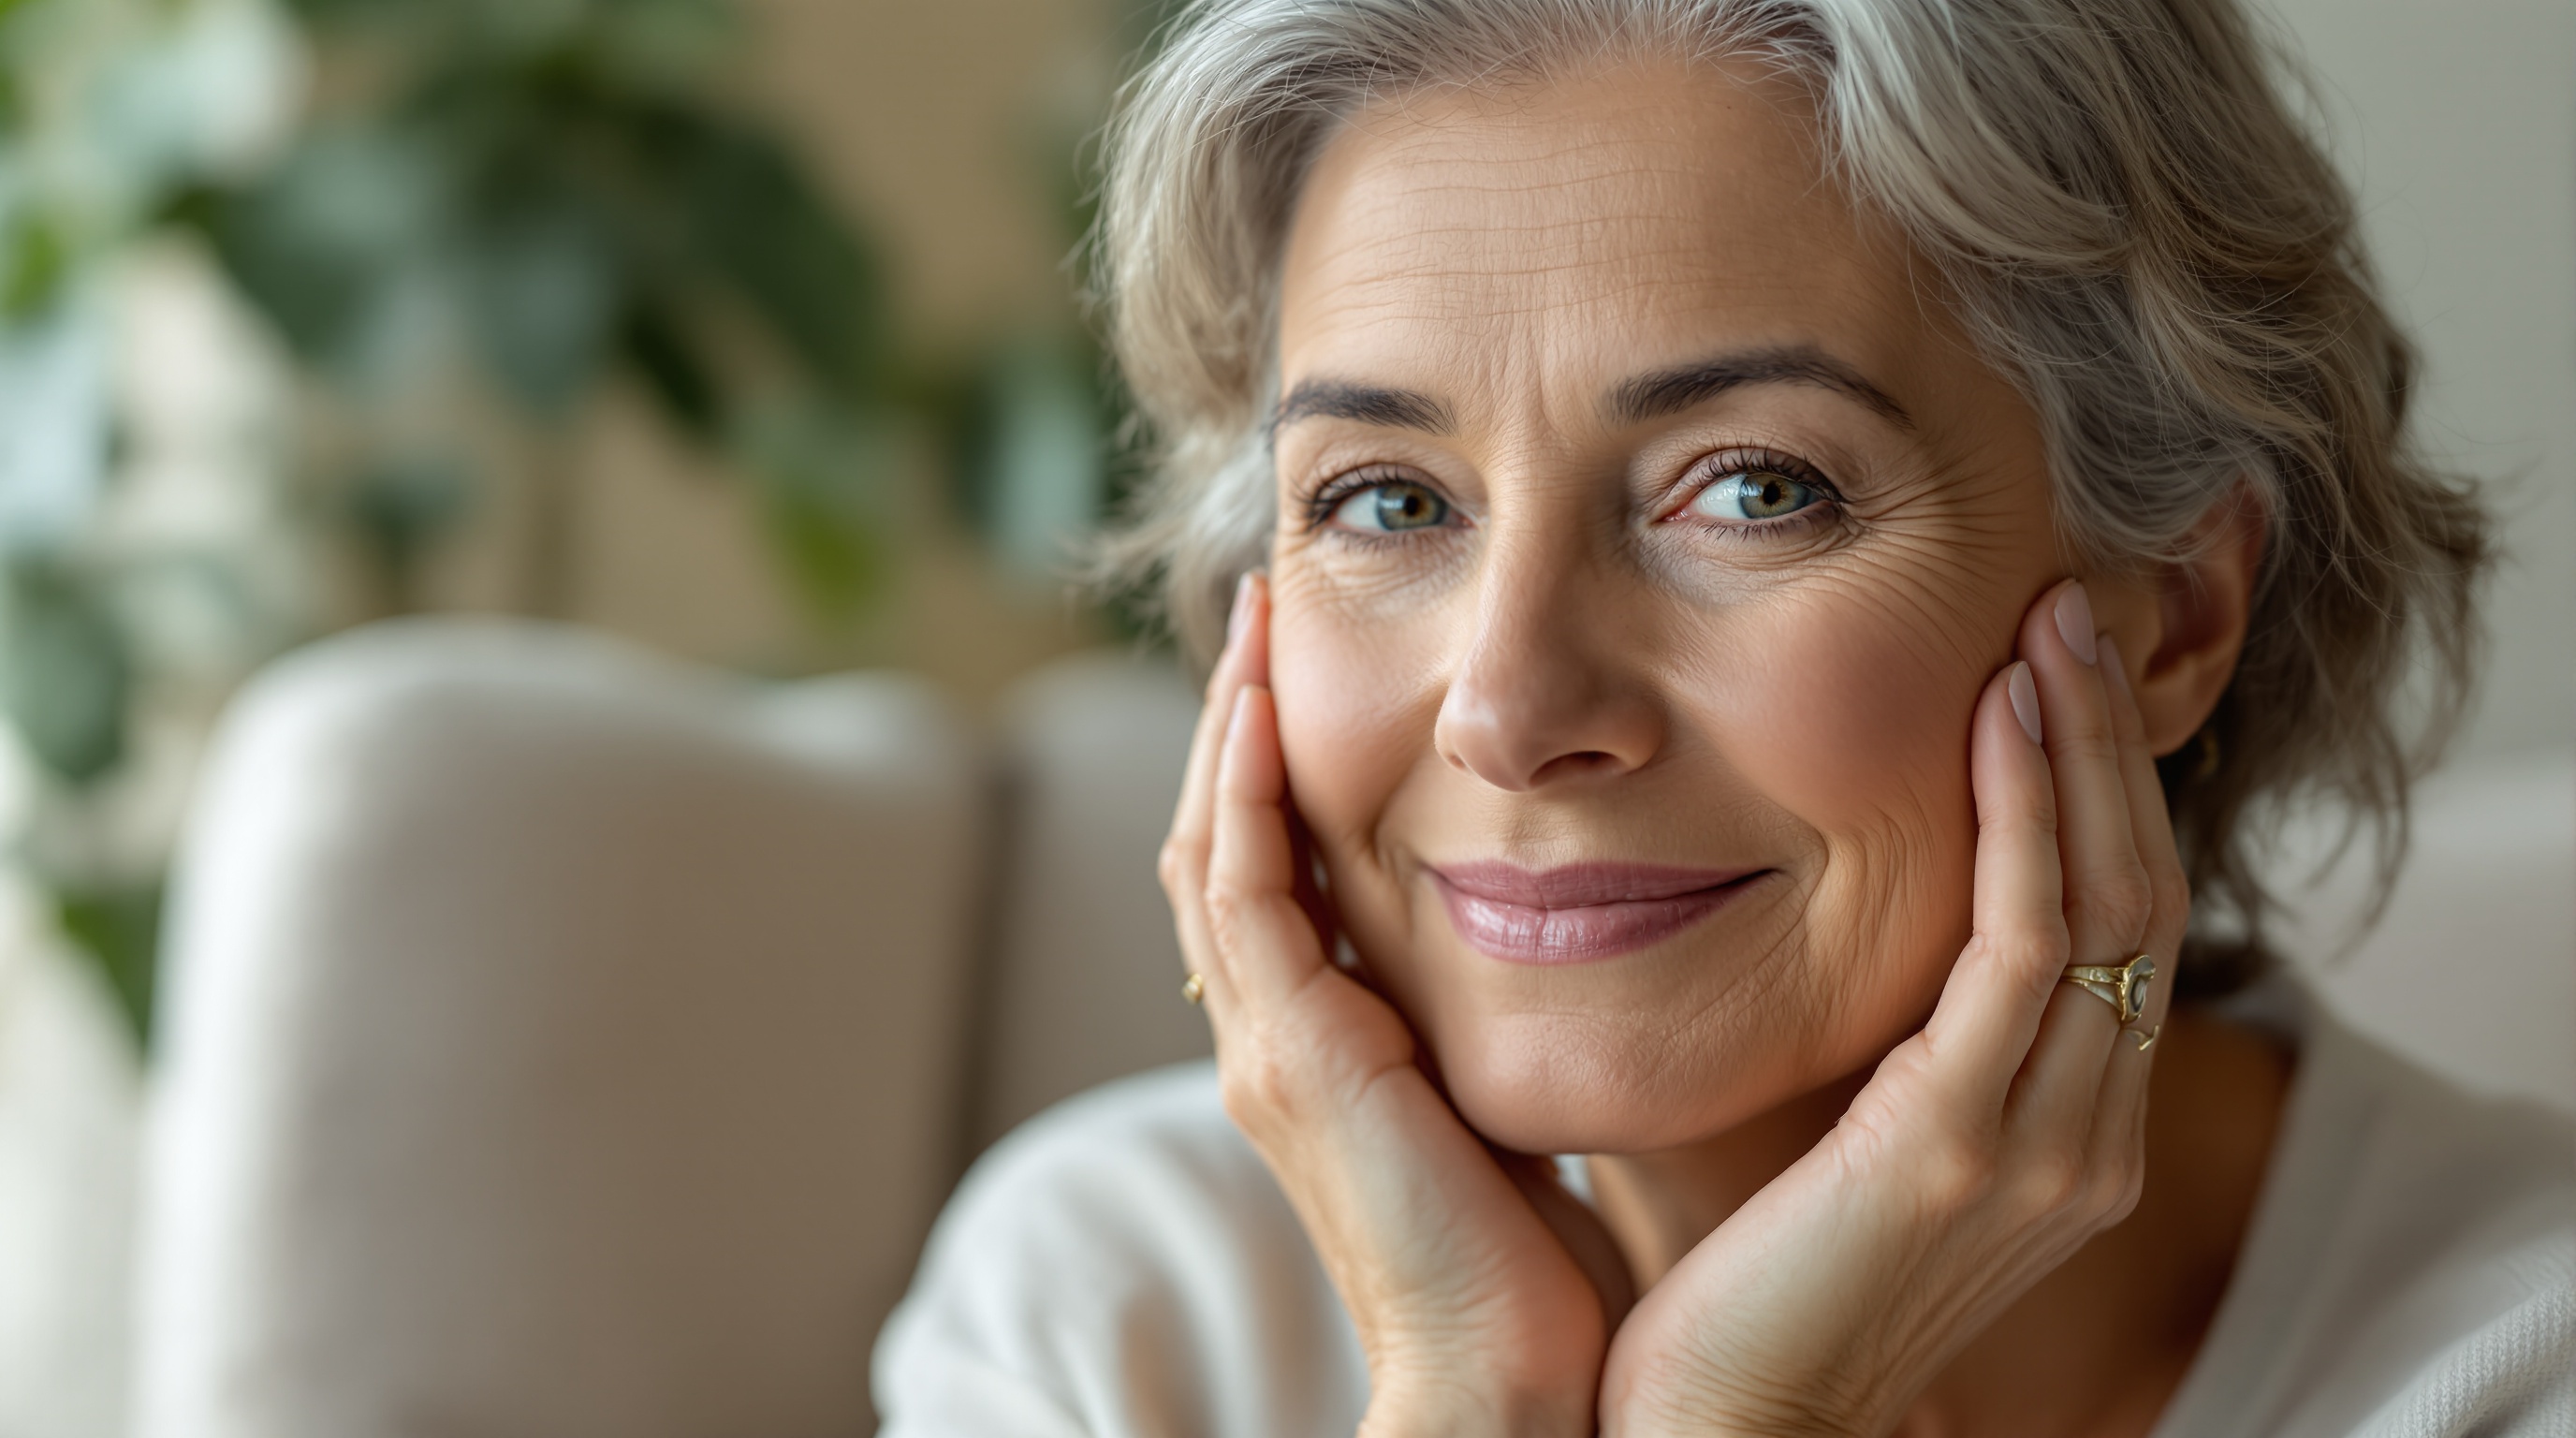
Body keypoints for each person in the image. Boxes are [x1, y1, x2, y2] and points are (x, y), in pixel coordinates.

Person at [876, 1, 2575, 1433]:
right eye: (1388, 503)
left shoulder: (2518, 1353)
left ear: (2175, 619)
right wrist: (1472, 1392)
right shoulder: (1113, 1316)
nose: (1510, 707)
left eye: (1754, 488)